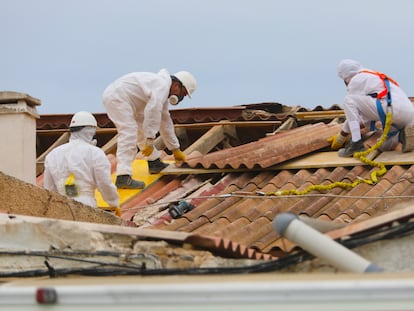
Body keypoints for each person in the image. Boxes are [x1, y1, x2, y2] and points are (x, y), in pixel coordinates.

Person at [102, 69, 196, 189]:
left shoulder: (161, 90)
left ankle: (154, 162)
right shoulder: (161, 86)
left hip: (125, 99)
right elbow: (153, 111)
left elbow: (165, 121)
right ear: (177, 85)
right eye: (182, 93)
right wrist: (150, 138)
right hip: (117, 98)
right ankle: (123, 177)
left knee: (140, 129)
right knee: (128, 133)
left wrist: (175, 149)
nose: (180, 97)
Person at [328, 59, 414, 157]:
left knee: (348, 100)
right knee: (382, 145)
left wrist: (342, 136)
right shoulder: (373, 76)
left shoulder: (356, 80)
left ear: (345, 77)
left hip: (392, 110)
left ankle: (356, 143)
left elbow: (354, 114)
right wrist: (343, 133)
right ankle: (401, 136)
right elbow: (363, 118)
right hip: (407, 114)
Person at [44, 111, 120, 213]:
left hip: (61, 208)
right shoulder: (95, 153)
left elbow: (49, 187)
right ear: (90, 130)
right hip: (86, 206)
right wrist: (114, 203)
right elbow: (104, 183)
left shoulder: (53, 154)